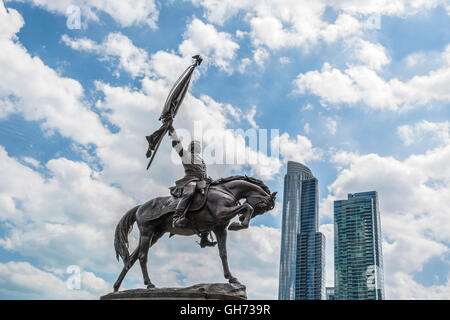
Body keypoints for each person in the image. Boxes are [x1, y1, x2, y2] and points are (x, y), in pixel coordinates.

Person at [168, 125, 216, 248]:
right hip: (190, 181)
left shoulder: (202, 160)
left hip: (202, 182)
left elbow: (204, 174)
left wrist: (208, 179)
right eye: (194, 145)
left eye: (198, 146)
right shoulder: (186, 155)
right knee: (189, 192)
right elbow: (177, 145)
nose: (196, 147)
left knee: (211, 200)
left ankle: (204, 237)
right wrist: (173, 132)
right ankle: (177, 217)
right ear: (191, 147)